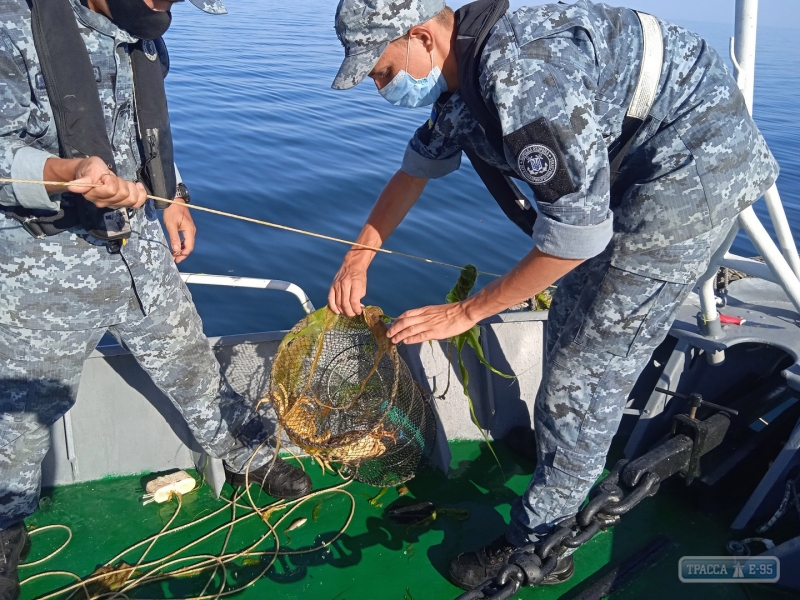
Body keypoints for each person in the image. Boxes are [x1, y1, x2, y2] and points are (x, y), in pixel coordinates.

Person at [328, 0, 778, 591]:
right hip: (630, 168)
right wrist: (357, 257)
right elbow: (415, 170)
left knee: (585, 371)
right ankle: (561, 461)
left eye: (383, 70)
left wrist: (465, 312)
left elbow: (576, 238)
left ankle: (541, 541)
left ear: (420, 38)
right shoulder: (462, 71)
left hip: (691, 168)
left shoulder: (522, 75)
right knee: (564, 324)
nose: (379, 85)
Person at [0, 1, 311, 597]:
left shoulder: (143, 37)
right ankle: (4, 524)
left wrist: (174, 197)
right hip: (41, 272)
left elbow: (141, 132)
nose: (166, 7)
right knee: (19, 413)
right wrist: (61, 170)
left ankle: (247, 456)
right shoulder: (14, 22)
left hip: (139, 252)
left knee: (191, 362)